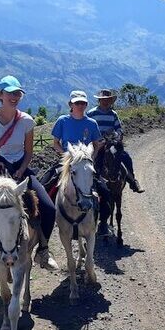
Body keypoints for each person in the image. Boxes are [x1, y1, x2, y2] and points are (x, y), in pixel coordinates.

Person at [0, 75, 59, 278]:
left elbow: (29, 152)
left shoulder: (26, 121)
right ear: (0, 95)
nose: (14, 97)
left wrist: (23, 168)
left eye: (17, 93)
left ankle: (43, 249)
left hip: (18, 168)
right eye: (10, 93)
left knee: (49, 208)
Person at [51, 90, 112, 236]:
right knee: (46, 184)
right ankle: (47, 223)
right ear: (71, 104)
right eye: (77, 102)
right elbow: (56, 143)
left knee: (105, 191)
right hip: (66, 163)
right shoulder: (62, 121)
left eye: (83, 103)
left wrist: (90, 158)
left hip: (85, 165)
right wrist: (66, 156)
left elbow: (96, 144)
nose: (80, 105)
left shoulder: (91, 123)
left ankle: (102, 223)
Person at [87, 89, 144, 193]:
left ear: (110, 101)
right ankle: (91, 184)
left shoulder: (113, 114)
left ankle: (132, 180)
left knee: (125, 157)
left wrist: (115, 137)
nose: (106, 102)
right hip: (97, 144)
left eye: (108, 99)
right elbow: (86, 130)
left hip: (110, 143)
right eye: (103, 99)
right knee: (93, 161)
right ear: (99, 100)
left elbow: (119, 129)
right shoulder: (91, 114)